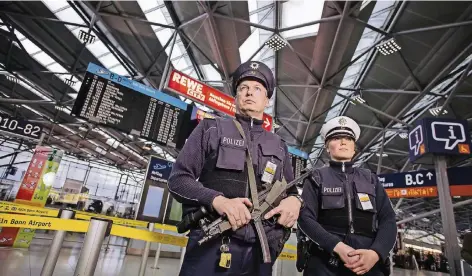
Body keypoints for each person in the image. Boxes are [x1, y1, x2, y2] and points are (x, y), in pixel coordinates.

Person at [168, 61, 303, 275]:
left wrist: (295, 201)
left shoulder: (279, 145)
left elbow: (292, 191)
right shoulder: (210, 129)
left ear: (267, 100)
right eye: (243, 88)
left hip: (261, 251)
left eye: (257, 89)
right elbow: (177, 180)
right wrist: (217, 200)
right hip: (213, 246)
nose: (250, 93)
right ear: (236, 96)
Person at [297, 116, 397, 275]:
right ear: (327, 147)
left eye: (348, 139)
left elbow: (388, 219)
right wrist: (337, 246)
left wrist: (376, 253)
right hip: (325, 263)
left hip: (368, 263)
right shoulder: (316, 178)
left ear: (354, 147)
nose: (343, 142)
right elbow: (305, 218)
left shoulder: (371, 179)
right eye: (336, 138)